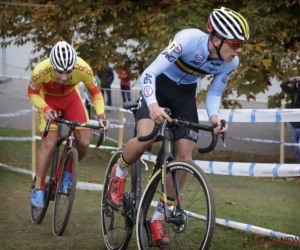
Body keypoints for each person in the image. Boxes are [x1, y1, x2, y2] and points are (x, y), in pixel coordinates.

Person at [107, 6, 249, 247]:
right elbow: (149, 73)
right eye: (235, 44)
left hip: (184, 96)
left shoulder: (230, 63)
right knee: (147, 137)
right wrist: (152, 104)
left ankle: (158, 219)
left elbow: (214, 92)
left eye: (242, 45)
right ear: (216, 39)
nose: (238, 50)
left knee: (185, 156)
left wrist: (214, 117)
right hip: (158, 87)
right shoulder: (187, 40)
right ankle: (118, 173)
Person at [28, 41, 110, 208]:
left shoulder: (83, 68)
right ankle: (39, 188)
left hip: (71, 100)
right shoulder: (40, 70)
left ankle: (67, 173)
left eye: (68, 72)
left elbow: (95, 92)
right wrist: (44, 108)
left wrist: (101, 116)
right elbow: (32, 92)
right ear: (52, 66)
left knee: (85, 142)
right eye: (59, 72)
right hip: (49, 101)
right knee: (49, 145)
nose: (64, 77)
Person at [280, 76, 300, 163]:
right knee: (296, 148)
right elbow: (283, 86)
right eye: (297, 82)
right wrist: (291, 79)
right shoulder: (294, 92)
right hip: (294, 125)